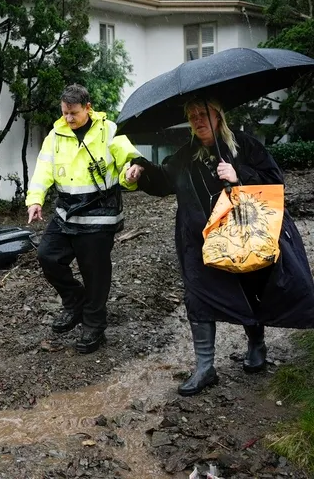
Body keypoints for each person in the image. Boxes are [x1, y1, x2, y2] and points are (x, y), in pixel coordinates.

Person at [126, 98, 314, 396]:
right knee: (197, 296)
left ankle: (256, 344)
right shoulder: (186, 154)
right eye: (192, 116)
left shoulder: (245, 145)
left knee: (250, 288)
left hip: (243, 235)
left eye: (203, 114)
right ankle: (205, 367)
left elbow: (275, 180)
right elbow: (164, 181)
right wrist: (141, 169)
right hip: (201, 239)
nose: (198, 121)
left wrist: (240, 176)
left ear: (218, 116)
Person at [26, 84, 142, 354]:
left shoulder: (109, 130)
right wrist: (35, 199)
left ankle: (94, 326)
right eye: (64, 112)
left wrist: (132, 173)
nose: (68, 118)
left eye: (73, 113)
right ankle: (74, 301)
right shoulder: (55, 135)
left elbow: (128, 159)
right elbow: (43, 168)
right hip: (67, 211)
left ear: (87, 108)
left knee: (95, 272)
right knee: (47, 256)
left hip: (99, 213)